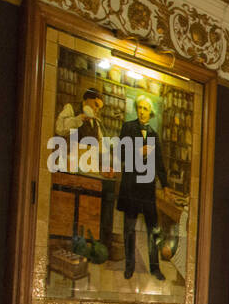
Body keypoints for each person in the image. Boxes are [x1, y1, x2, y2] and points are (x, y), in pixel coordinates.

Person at [54, 88, 116, 241]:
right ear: (86, 100)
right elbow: (59, 129)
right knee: (70, 202)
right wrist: (79, 118)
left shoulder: (95, 122)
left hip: (90, 167)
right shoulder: (71, 108)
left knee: (101, 196)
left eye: (99, 108)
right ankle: (67, 237)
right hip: (72, 165)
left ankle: (96, 238)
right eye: (95, 105)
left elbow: (102, 145)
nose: (96, 110)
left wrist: (107, 164)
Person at [117, 95, 165, 281]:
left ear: (150, 113)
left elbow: (159, 161)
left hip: (147, 189)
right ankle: (130, 266)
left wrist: (166, 184)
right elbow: (120, 152)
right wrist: (138, 151)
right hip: (131, 187)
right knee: (129, 228)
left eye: (145, 108)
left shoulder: (154, 134)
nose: (142, 111)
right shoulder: (128, 127)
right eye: (140, 107)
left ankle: (155, 268)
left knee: (153, 229)